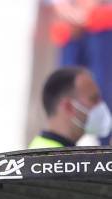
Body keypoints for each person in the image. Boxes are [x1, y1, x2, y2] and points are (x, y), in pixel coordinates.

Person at [47, 0, 112, 143]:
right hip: (69, 28)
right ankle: (63, 149)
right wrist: (64, 8)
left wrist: (87, 10)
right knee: (65, 93)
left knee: (104, 93)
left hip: (103, 24)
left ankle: (106, 148)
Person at [29, 66, 111, 148]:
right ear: (68, 107)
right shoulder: (52, 157)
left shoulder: (52, 151)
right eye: (94, 99)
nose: (101, 105)